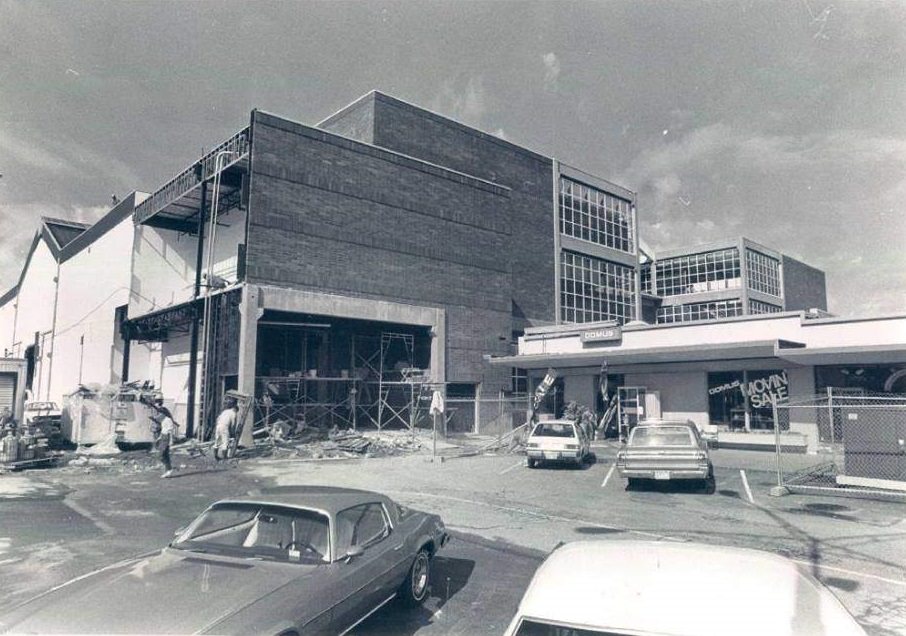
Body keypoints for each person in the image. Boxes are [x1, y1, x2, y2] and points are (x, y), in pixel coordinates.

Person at [153, 405, 179, 478]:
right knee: (164, 454)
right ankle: (168, 469)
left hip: (167, 437)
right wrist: (159, 438)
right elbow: (163, 430)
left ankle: (169, 469)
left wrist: (171, 441)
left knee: (162, 454)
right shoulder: (163, 420)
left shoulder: (168, 420)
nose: (159, 415)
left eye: (160, 413)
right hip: (163, 436)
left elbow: (170, 431)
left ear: (163, 413)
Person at [213, 398, 238, 462]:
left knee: (217, 441)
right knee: (225, 442)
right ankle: (225, 457)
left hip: (218, 426)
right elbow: (233, 425)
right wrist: (233, 433)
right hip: (224, 427)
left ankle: (215, 456)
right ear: (235, 409)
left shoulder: (225, 411)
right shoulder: (233, 413)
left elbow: (218, 419)